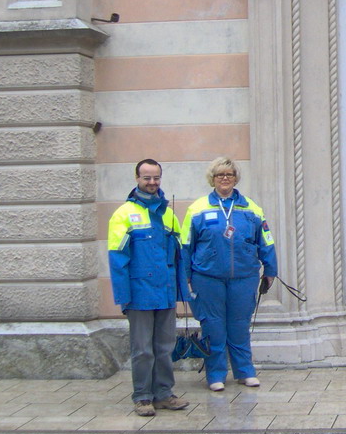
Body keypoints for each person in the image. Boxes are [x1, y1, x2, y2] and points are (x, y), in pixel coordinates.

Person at [181, 157, 277, 391]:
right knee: (213, 326)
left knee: (239, 325)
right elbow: (186, 244)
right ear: (212, 179)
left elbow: (265, 239)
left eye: (229, 174)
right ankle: (215, 375)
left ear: (236, 178)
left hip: (244, 277)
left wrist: (270, 269)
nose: (225, 178)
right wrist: (185, 275)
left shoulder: (251, 207)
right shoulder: (197, 208)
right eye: (220, 175)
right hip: (207, 278)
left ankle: (245, 372)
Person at [108, 159, 190, 417]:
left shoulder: (168, 213)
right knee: (143, 350)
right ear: (137, 179)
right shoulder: (123, 214)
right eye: (147, 178)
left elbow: (179, 256)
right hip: (140, 294)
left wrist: (181, 291)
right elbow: (117, 259)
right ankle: (143, 397)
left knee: (165, 348)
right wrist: (124, 297)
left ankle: (164, 394)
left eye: (156, 178)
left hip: (165, 293)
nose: (152, 182)